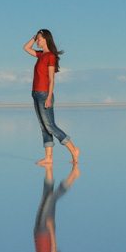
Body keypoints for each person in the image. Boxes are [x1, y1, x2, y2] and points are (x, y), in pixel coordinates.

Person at [22, 29, 81, 166]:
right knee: (43, 126)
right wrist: (34, 35)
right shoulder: (40, 55)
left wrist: (49, 97)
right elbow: (25, 48)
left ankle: (74, 149)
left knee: (50, 126)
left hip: (44, 94)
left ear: (46, 39)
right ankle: (48, 158)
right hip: (35, 93)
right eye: (37, 39)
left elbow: (51, 79)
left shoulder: (50, 56)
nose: (37, 41)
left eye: (39, 39)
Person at [26, 160, 80, 252]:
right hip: (46, 231)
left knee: (45, 196)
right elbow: (54, 249)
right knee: (51, 198)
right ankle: (73, 177)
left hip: (37, 232)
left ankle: (49, 170)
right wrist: (51, 229)